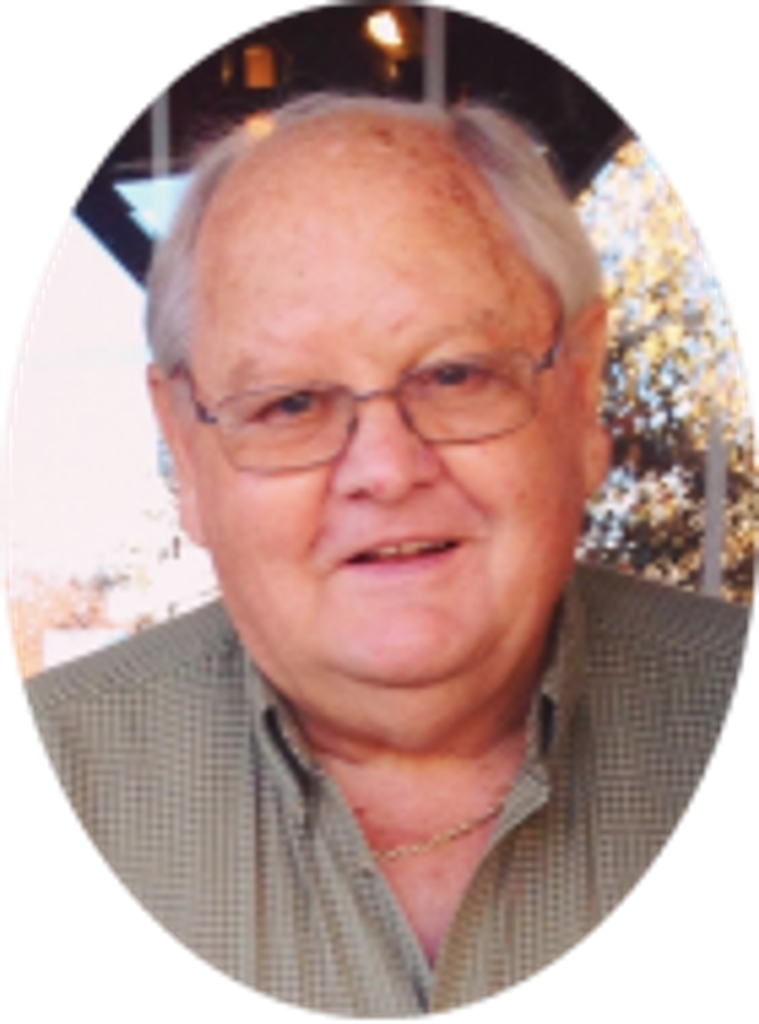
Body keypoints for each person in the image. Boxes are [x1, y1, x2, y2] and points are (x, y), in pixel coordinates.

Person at [22, 93, 752, 1019]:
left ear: (579, 393)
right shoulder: (67, 772)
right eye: (290, 403)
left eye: (454, 374)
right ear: (185, 450)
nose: (385, 470)